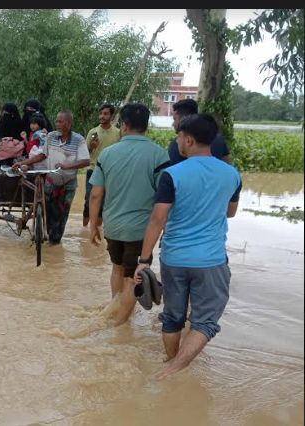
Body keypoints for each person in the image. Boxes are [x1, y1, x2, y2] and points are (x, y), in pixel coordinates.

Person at [134, 113, 241, 380]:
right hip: (211, 260)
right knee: (204, 322)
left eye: (179, 136)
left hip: (174, 258)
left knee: (172, 317)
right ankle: (174, 371)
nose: (177, 141)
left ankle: (171, 365)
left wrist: (144, 260)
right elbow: (230, 213)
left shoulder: (172, 174)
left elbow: (158, 219)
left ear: (189, 139)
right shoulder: (232, 174)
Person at [88, 103, 169, 326]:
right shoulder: (159, 155)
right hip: (141, 230)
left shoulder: (108, 154)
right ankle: (120, 324)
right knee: (133, 277)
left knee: (117, 269)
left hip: (113, 226)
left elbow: (95, 195)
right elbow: (164, 200)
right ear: (146, 126)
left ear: (123, 125)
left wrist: (93, 225)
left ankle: (117, 310)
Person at [13, 110, 90, 244]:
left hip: (69, 184)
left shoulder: (79, 140)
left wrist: (67, 166)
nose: (57, 124)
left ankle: (55, 241)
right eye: (56, 121)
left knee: (63, 215)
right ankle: (50, 237)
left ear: (69, 123)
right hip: (51, 181)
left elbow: (85, 161)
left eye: (61, 121)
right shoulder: (51, 136)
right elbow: (42, 155)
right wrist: (22, 162)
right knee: (48, 211)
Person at [83, 103, 120, 227]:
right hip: (93, 170)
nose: (102, 116)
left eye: (105, 114)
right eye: (100, 113)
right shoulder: (93, 132)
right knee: (89, 200)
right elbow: (84, 154)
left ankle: (96, 229)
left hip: (110, 172)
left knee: (104, 202)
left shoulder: (118, 133)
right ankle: (83, 230)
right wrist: (90, 147)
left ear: (112, 116)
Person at [167, 98, 231, 165]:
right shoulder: (219, 139)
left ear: (184, 119)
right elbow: (226, 163)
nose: (173, 124)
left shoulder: (178, 144)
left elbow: (174, 171)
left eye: (175, 119)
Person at [0, 102, 26, 192]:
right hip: (16, 157)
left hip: (7, 158)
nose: (5, 115)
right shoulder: (20, 124)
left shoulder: (3, 123)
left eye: (7, 113)